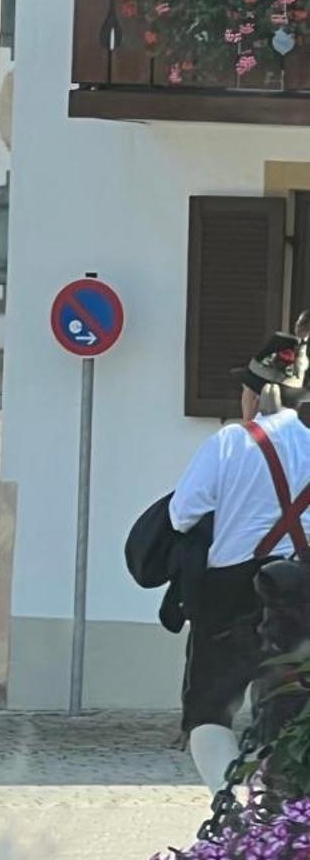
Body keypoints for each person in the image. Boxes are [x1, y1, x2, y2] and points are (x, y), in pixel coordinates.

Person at [168, 328, 310, 794]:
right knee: (292, 709)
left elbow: (182, 514)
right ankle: (283, 815)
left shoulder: (231, 442)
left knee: (209, 711)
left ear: (259, 393)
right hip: (302, 587)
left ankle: (232, 815)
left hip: (230, 590)